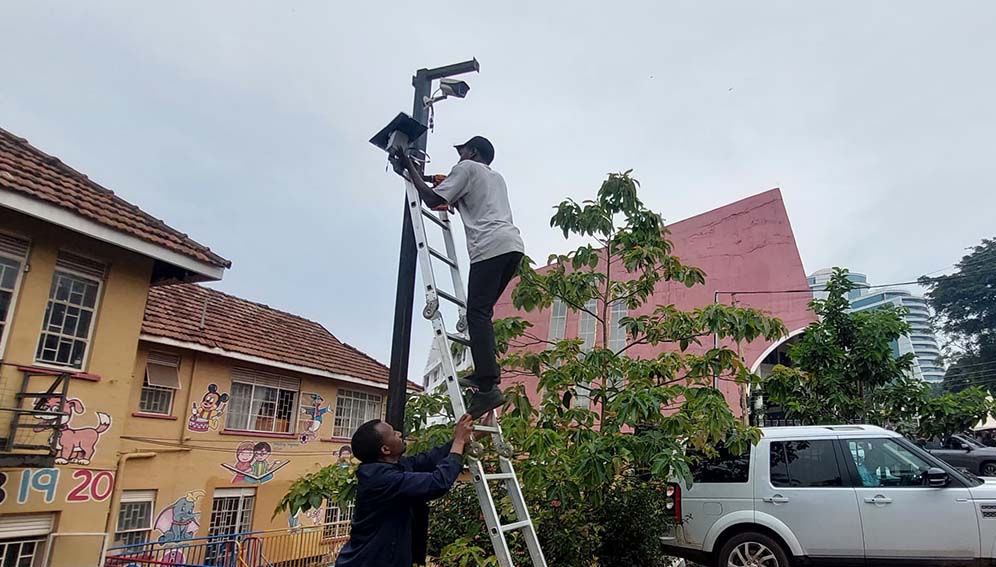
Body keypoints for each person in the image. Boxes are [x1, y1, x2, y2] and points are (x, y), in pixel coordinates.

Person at [393, 136, 524, 418]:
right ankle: (485, 376)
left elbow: (432, 199)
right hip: (512, 247)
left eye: (461, 151)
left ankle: (488, 385)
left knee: (477, 314)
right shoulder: (495, 178)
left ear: (473, 152)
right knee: (482, 313)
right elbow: (452, 195)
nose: (458, 156)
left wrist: (407, 167)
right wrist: (420, 174)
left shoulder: (465, 169)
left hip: (488, 248)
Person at [335, 414, 475, 567]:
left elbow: (430, 459)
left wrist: (471, 435)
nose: (399, 433)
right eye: (394, 433)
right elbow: (438, 482)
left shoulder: (394, 466)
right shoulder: (382, 480)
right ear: (385, 449)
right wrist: (459, 441)